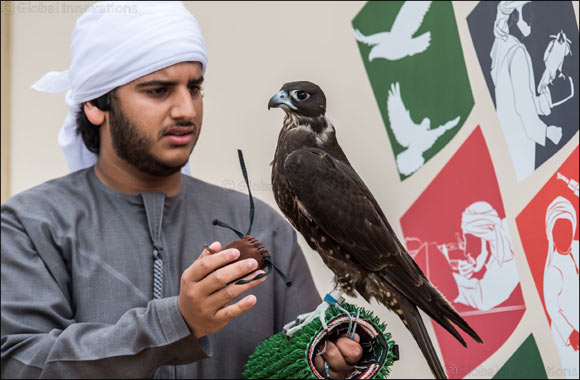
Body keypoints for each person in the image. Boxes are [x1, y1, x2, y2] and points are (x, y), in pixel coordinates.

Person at [0, 2, 361, 378]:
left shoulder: (263, 227)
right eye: (158, 90)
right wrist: (175, 324)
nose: (186, 110)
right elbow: (17, 363)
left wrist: (332, 365)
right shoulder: (31, 226)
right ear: (95, 103)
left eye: (194, 87)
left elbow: (304, 360)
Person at [490, 0, 563, 181]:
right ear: (515, 15)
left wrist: (546, 99)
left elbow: (522, 98)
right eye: (527, 10)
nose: (532, 17)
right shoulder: (518, 53)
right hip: (519, 143)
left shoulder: (502, 45)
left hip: (506, 138)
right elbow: (524, 108)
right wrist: (547, 133)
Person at [451, 201, 519, 311]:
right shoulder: (497, 248)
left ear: (488, 231)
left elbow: (483, 298)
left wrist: (451, 279)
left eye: (471, 240)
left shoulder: (509, 251)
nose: (466, 252)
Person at [543, 196, 579, 379]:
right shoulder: (554, 269)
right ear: (551, 233)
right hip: (572, 341)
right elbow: (553, 308)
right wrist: (570, 333)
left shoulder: (577, 249)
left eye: (567, 229)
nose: (564, 235)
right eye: (559, 230)